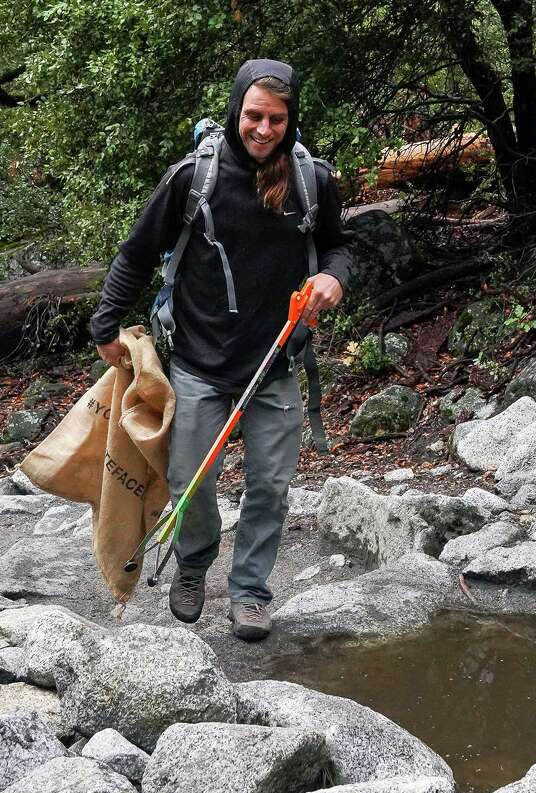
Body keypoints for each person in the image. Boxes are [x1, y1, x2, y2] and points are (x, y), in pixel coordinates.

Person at [90, 60, 352, 641]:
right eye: (254, 116)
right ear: (237, 109)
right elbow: (136, 254)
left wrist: (335, 277)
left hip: (277, 362)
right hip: (198, 364)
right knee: (191, 485)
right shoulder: (193, 179)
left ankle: (252, 592)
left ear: (291, 118)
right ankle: (193, 566)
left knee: (270, 485)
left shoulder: (313, 181)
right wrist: (106, 325)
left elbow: (339, 248)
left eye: (276, 119)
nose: (264, 129)